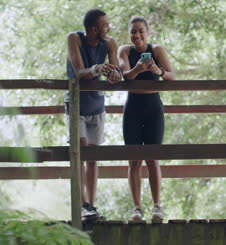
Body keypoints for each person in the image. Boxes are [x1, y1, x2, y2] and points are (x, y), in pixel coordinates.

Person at [65, 9, 121, 221]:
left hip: (97, 105)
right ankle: (81, 206)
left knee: (93, 158)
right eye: (105, 25)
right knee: (79, 155)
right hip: (77, 104)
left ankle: (91, 205)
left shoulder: (109, 43)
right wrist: (98, 68)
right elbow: (79, 72)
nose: (109, 28)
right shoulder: (74, 39)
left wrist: (114, 73)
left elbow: (116, 68)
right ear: (93, 29)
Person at [117, 16, 175, 222]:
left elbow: (171, 76)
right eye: (133, 31)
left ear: (147, 32)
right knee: (134, 160)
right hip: (132, 107)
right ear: (129, 33)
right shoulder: (124, 50)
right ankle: (136, 209)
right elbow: (125, 75)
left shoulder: (157, 50)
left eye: (141, 31)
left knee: (152, 158)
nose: (137, 35)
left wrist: (157, 70)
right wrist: (138, 69)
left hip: (153, 108)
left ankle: (157, 207)